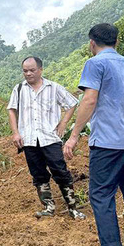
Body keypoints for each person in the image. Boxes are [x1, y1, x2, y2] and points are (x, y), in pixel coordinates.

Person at [63, 23, 124, 246]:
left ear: (92, 43)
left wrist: (74, 135)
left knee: (101, 195)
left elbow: (90, 99)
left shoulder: (95, 64)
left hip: (108, 143)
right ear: (116, 42)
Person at [7, 56, 85, 220]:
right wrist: (15, 132)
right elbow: (12, 110)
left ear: (40, 70)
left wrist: (63, 123)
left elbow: (72, 103)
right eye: (25, 71)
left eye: (32, 70)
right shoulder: (19, 89)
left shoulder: (53, 87)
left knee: (60, 171)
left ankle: (72, 207)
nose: (28, 74)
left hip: (50, 138)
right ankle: (48, 207)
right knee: (38, 173)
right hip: (29, 139)